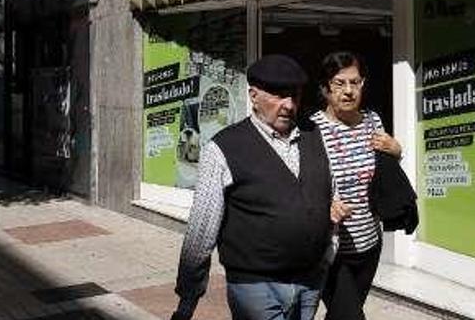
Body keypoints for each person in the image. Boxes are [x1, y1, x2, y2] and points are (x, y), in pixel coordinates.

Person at [171, 54, 350, 320]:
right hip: (255, 288)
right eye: (279, 95)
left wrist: (327, 254)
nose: (289, 105)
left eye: (295, 95)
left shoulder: (313, 135)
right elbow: (202, 229)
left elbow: (329, 193)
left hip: (309, 283)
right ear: (254, 96)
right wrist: (189, 295)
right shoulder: (223, 148)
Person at [310, 51, 402, 320]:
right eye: (339, 83)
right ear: (325, 88)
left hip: (370, 243)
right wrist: (325, 203)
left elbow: (386, 173)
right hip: (332, 248)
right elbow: (298, 182)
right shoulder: (311, 130)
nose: (349, 91)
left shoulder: (373, 121)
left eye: (355, 82)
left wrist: (397, 151)